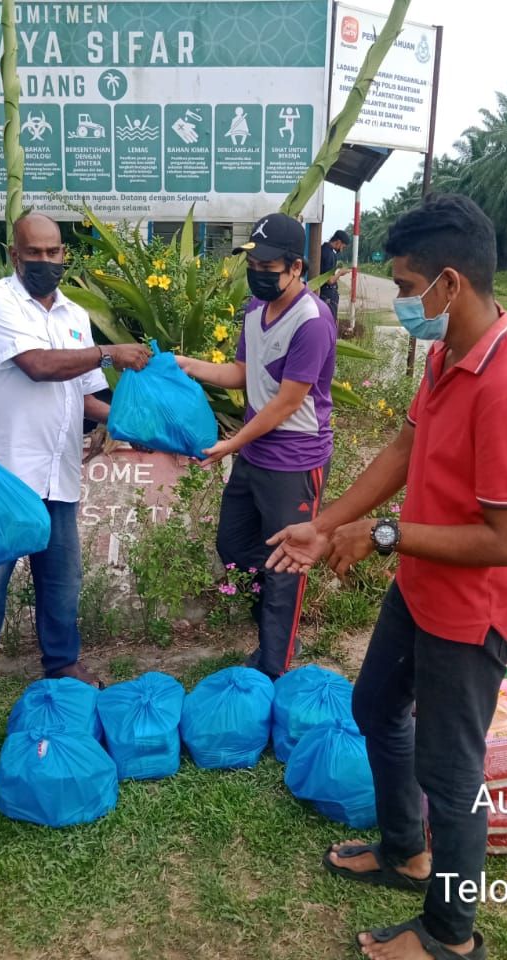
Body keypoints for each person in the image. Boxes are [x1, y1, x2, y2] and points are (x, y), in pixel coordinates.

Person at [266, 194, 507, 960]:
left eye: (404, 286)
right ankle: (404, 850)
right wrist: (327, 523)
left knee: (451, 775)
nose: (399, 301)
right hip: (426, 580)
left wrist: (383, 534)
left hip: (478, 603)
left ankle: (450, 936)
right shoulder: (446, 355)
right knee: (375, 705)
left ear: (449, 284)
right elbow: (403, 450)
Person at [0, 212, 151, 719]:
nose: (45, 261)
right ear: (15, 255)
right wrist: (108, 352)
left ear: (65, 255)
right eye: (33, 252)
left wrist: (139, 426)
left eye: (53, 252)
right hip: (5, 469)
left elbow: (86, 398)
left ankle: (61, 662)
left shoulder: (73, 316)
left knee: (62, 577)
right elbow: (37, 366)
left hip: (59, 467)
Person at [179, 212, 336, 679]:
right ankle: (277, 631)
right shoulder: (254, 309)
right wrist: (189, 364)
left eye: (269, 268)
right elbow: (241, 374)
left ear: (296, 268)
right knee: (234, 546)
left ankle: (274, 665)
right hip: (255, 454)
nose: (259, 275)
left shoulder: (313, 321)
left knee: (285, 564)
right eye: (254, 265)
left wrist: (230, 445)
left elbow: (287, 403)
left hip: (294, 460)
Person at [318, 229, 350, 323]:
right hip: (327, 294)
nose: (341, 250)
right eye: (343, 247)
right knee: (330, 321)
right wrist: (340, 273)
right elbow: (330, 280)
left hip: (323, 293)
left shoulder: (323, 249)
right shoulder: (329, 254)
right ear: (338, 242)